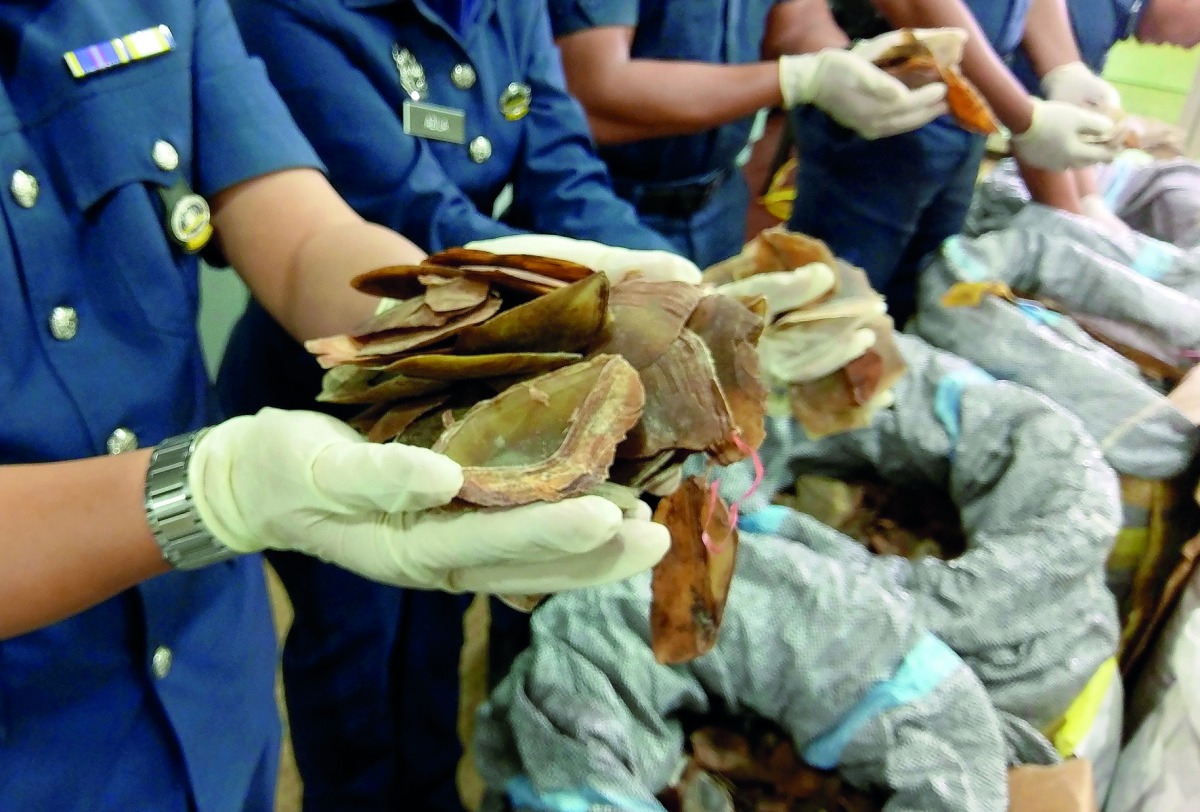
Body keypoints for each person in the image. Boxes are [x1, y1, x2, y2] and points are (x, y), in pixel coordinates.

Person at [0, 2, 671, 809]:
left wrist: (460, 320)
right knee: (355, 682)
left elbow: (301, 240)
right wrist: (214, 493)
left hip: (212, 663)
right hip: (34, 725)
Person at [212, 2, 709, 809]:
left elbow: (561, 163)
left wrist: (669, 286)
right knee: (353, 644)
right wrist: (567, 303)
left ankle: (434, 788)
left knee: (436, 618)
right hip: (331, 380)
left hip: (469, 384)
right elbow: (411, 205)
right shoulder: (292, 16)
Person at [782, 0, 1122, 325]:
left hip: (968, 103)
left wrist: (1063, 69)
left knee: (916, 297)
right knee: (833, 311)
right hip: (891, 93)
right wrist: (1025, 118)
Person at [546, 0, 954, 268]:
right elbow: (594, 89)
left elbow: (797, 19)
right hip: (594, 200)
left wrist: (852, 63)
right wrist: (798, 79)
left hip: (719, 200)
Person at [1007, 0, 1200, 231]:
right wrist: (1078, 222)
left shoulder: (1112, 16)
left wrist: (1090, 201)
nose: (1193, 46)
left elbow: (1070, 117)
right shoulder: (1093, 20)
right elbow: (1041, 133)